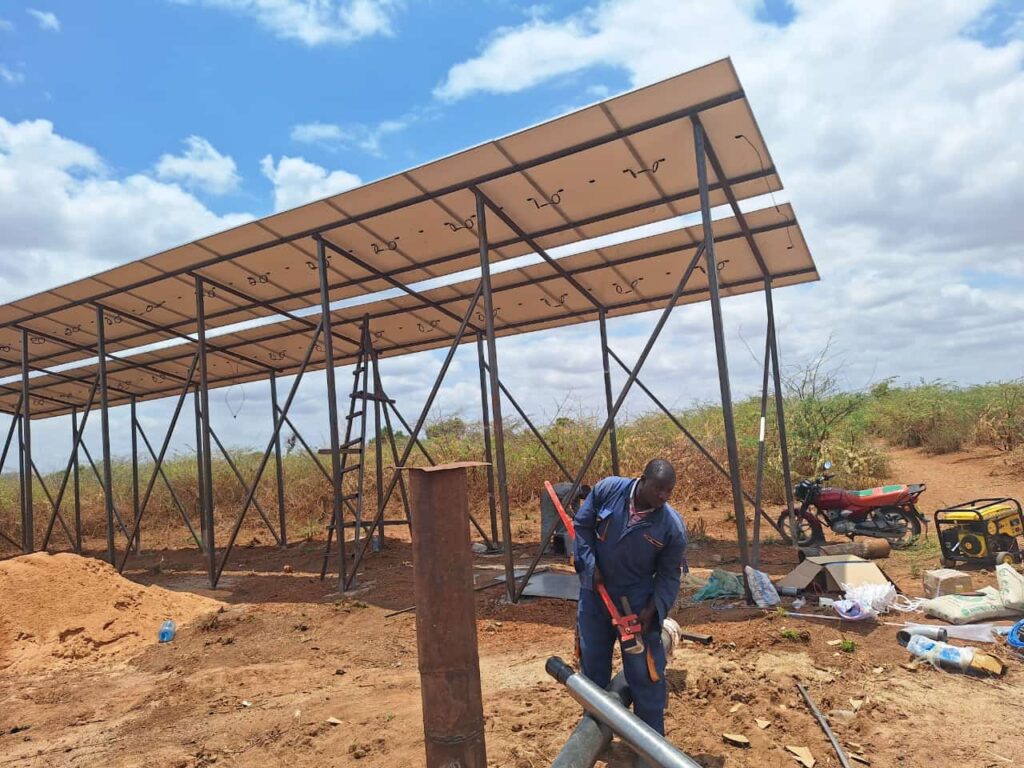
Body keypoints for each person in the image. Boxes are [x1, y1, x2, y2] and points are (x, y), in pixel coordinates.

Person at [573, 459, 687, 736]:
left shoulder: (672, 527)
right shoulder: (608, 489)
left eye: (668, 491)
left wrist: (654, 609)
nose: (663, 496)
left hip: (635, 606)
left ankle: (649, 748)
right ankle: (596, 735)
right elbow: (583, 526)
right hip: (596, 597)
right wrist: (589, 565)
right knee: (593, 670)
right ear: (643, 479)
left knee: (645, 675)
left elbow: (669, 576)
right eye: (658, 488)